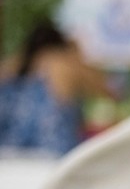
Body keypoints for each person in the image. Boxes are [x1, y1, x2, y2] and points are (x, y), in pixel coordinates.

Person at [0, 19, 114, 156]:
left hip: (8, 154)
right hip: (53, 155)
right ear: (60, 44)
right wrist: (76, 52)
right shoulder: (62, 64)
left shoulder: (12, 67)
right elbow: (111, 91)